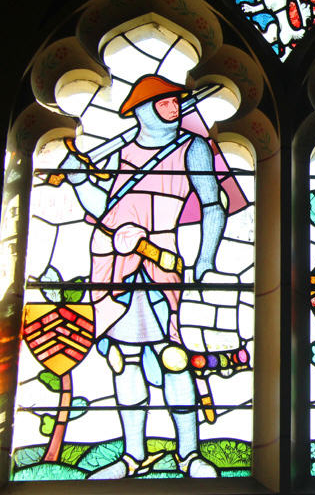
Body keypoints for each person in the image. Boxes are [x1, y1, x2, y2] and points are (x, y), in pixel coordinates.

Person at [60, 75, 229, 478]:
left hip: (158, 260)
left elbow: (213, 204)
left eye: (175, 101)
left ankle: (189, 453)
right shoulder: (123, 152)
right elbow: (107, 209)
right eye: (164, 102)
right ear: (140, 110)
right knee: (123, 360)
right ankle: (132, 455)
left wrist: (205, 258)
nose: (174, 108)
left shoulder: (193, 148)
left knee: (173, 358)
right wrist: (81, 179)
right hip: (111, 262)